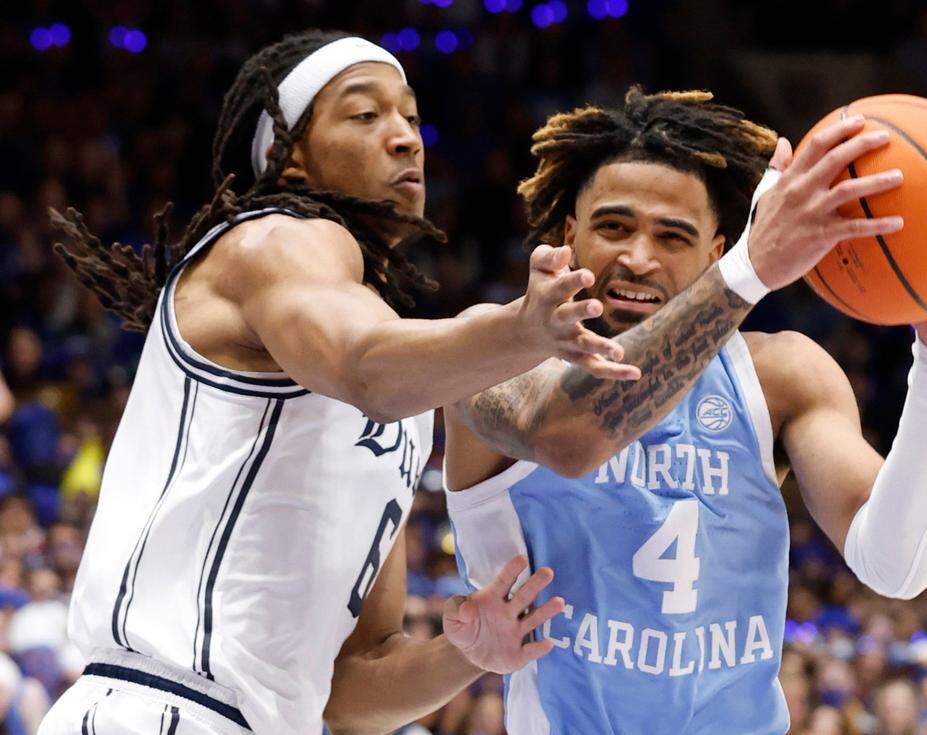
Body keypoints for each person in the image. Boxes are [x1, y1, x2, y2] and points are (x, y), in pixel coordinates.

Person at [40, 30, 638, 735]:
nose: (406, 138)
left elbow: (347, 690)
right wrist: (520, 329)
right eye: (365, 114)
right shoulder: (271, 239)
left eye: (411, 117)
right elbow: (363, 365)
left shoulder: (407, 396)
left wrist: (468, 652)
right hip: (159, 705)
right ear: (289, 155)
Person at [444, 87, 927, 733]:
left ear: (713, 252)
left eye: (673, 235)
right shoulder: (489, 352)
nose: (639, 257)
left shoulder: (780, 376)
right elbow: (570, 438)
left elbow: (897, 565)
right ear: (569, 235)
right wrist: (753, 270)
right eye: (614, 227)